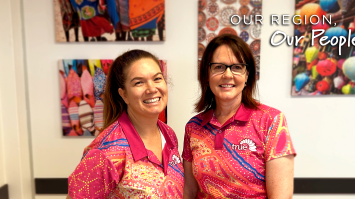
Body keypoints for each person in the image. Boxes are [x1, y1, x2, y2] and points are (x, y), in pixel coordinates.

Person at [182, 34, 296, 199]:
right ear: (207, 74)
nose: (228, 74)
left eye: (236, 67)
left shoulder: (271, 121)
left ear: (247, 74)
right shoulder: (194, 127)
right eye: (219, 67)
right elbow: (189, 192)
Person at [67, 50, 184, 198]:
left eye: (157, 79)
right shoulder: (106, 152)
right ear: (124, 95)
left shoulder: (168, 134)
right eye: (139, 82)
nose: (152, 89)